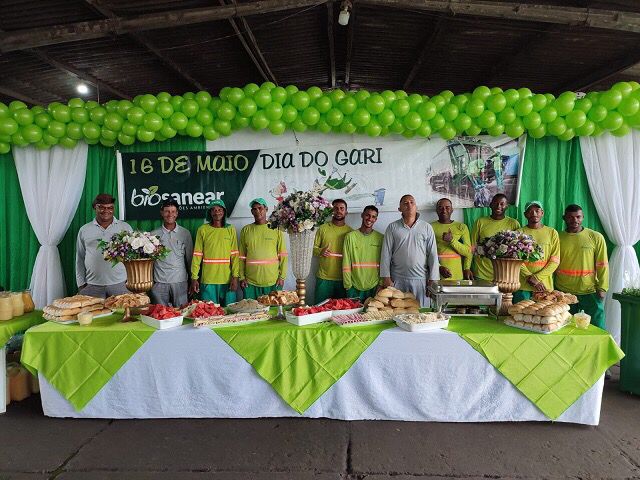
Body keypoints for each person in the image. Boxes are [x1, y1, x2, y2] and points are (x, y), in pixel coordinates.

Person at [555, 204, 609, 329]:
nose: (575, 220)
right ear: (564, 218)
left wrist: (603, 288)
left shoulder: (595, 237)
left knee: (597, 328)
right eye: (570, 217)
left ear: (583, 217)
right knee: (565, 328)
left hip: (589, 291)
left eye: (578, 217)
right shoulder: (557, 237)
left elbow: (603, 264)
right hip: (564, 292)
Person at [380, 194, 439, 306]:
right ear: (399, 209)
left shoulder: (426, 227)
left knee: (420, 313)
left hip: (421, 280)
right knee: (397, 313)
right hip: (397, 279)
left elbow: (433, 254)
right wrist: (386, 277)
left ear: (416, 207)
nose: (409, 205)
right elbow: (385, 253)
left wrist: (433, 279)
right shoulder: (392, 227)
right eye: (405, 203)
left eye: (412, 202)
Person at [76, 193, 132, 298]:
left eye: (110, 207)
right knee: (92, 314)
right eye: (101, 207)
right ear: (94, 208)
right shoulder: (84, 230)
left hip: (121, 284)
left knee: (122, 314)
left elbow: (132, 258)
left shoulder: (125, 227)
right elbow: (80, 257)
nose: (106, 211)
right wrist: (81, 284)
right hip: (92, 284)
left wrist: (130, 281)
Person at [190, 199, 239, 306]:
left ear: (224, 212)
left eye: (220, 209)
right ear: (210, 213)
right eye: (214, 210)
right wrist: (194, 277)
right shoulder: (202, 229)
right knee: (209, 313)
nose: (217, 212)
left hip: (227, 279)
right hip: (208, 280)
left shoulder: (230, 229)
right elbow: (197, 255)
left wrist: (235, 277)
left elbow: (235, 255)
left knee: (230, 312)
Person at [238, 198, 288, 299]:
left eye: (260, 208)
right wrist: (242, 277)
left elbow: (282, 255)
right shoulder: (246, 230)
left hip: (273, 281)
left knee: (273, 312)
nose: (257, 211)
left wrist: (282, 277)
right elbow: (241, 256)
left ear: (266, 209)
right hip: (250, 282)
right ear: (252, 212)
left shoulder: (276, 228)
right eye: (254, 209)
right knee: (252, 313)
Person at [513, 200, 560, 303]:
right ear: (525, 214)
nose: (534, 213)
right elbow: (515, 259)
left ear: (542, 213)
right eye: (530, 211)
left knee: (544, 316)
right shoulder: (518, 233)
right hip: (523, 286)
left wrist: (537, 278)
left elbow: (555, 261)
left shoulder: (552, 233)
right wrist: (529, 277)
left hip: (544, 286)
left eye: (537, 211)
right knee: (520, 315)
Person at [149, 199, 193, 307]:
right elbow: (149, 262)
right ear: (162, 213)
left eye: (173, 211)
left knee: (182, 314)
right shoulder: (153, 234)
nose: (170, 214)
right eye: (167, 211)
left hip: (180, 282)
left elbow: (190, 260)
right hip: (159, 283)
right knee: (160, 315)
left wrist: (192, 281)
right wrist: (150, 283)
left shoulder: (185, 233)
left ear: (177, 213)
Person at [471, 193, 520, 281]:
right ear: (490, 205)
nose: (498, 206)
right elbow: (472, 246)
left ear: (507, 206)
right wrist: (467, 267)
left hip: (505, 273)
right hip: (482, 272)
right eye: (495, 203)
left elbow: (517, 249)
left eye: (502, 204)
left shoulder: (513, 223)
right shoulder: (480, 222)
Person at [313, 199, 353, 304]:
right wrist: (320, 251)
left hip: (343, 279)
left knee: (340, 312)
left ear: (346, 212)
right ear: (332, 211)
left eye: (342, 208)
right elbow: (312, 249)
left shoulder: (351, 232)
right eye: (335, 208)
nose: (338, 211)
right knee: (319, 310)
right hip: (324, 279)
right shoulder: (323, 229)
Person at [342, 205, 384, 301]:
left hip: (374, 286)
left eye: (373, 217)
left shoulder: (381, 238)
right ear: (362, 215)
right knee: (354, 316)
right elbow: (346, 262)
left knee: (373, 315)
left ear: (376, 219)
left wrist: (381, 284)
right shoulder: (350, 237)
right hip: (354, 286)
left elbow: (384, 262)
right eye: (367, 215)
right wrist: (348, 285)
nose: (370, 219)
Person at [430, 198, 473, 281]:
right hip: (436, 274)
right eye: (440, 208)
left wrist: (452, 240)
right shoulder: (430, 227)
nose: (444, 210)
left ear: (452, 210)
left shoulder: (461, 227)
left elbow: (468, 252)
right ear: (436, 210)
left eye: (447, 207)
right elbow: (426, 252)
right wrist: (439, 267)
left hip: (457, 274)